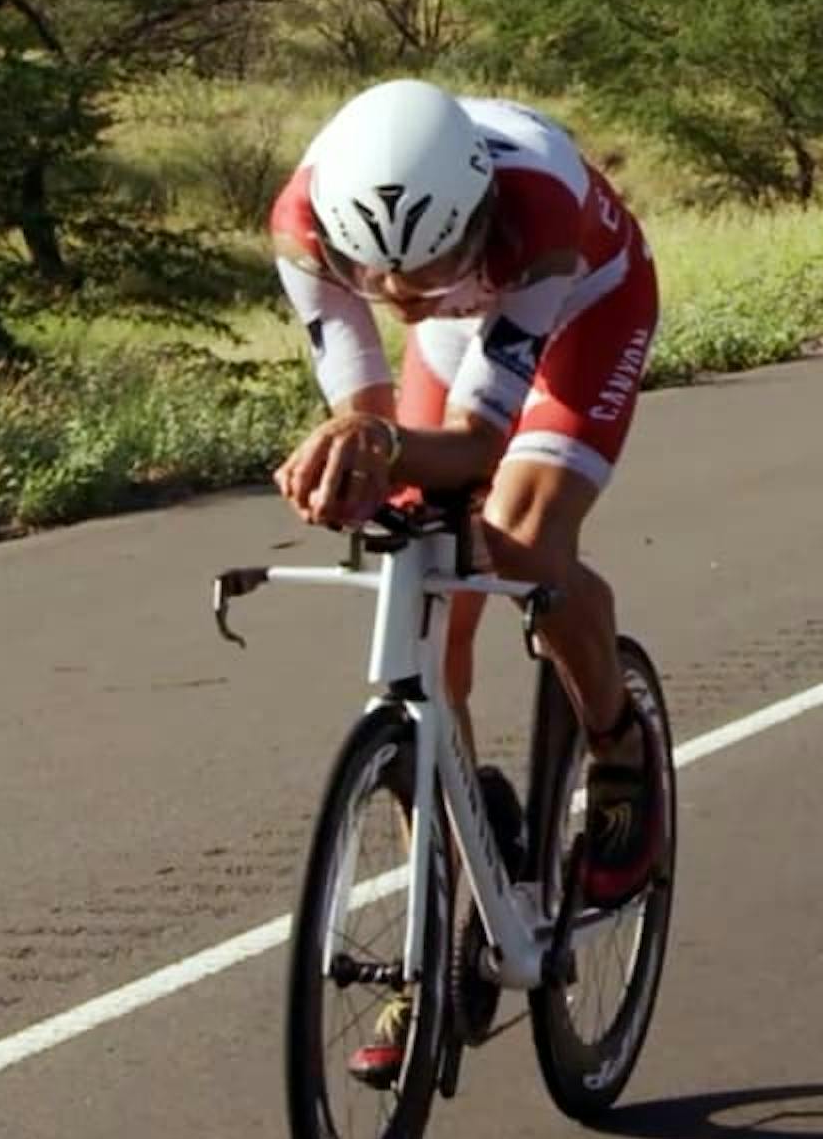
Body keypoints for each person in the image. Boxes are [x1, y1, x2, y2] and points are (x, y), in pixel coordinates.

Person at [268, 79, 666, 950]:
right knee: (423, 570)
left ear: (477, 217)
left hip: (582, 306)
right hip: (466, 328)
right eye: (374, 278)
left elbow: (476, 446)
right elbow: (369, 419)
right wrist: (349, 458)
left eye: (429, 268)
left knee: (521, 540)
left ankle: (620, 745)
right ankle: (443, 910)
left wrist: (377, 442)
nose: (401, 296)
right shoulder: (302, 230)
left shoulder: (538, 217)